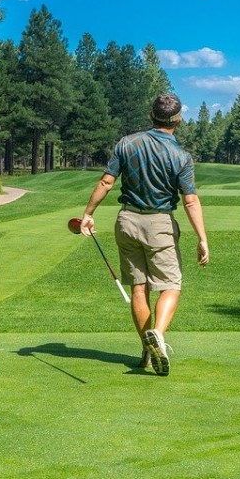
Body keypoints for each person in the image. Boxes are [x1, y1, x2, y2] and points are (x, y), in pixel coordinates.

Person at [80, 94, 209, 376]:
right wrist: (202, 238)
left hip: (126, 221)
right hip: (159, 223)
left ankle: (147, 351)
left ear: (151, 116)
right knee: (171, 285)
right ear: (179, 120)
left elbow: (106, 181)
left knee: (139, 288)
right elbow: (189, 200)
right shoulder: (182, 157)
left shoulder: (127, 143)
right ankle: (158, 337)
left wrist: (88, 213)